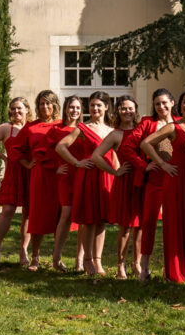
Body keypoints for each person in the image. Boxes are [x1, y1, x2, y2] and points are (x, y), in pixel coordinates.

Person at [141, 90, 185, 283]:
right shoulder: (172, 127)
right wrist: (163, 164)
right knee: (176, 224)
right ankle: (177, 270)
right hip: (177, 179)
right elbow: (146, 143)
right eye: (184, 102)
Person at [56, 91, 115, 276]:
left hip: (107, 176)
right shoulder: (82, 127)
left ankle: (98, 261)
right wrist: (76, 162)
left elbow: (115, 155)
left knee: (102, 221)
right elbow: (60, 146)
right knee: (89, 220)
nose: (95, 108)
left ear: (106, 107)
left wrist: (118, 174)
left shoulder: (112, 129)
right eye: (92, 105)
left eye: (99, 105)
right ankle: (87, 260)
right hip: (89, 175)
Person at [91, 96, 147, 280]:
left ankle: (136, 263)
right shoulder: (115, 135)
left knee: (141, 227)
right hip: (125, 182)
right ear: (118, 111)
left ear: (136, 110)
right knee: (126, 228)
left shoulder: (143, 130)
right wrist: (114, 172)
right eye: (123, 108)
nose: (127, 111)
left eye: (130, 108)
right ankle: (120, 265)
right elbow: (96, 156)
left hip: (144, 181)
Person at [0, 97, 33, 269]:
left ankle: (24, 251)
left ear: (27, 109)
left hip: (31, 173)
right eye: (12, 109)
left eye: (19, 108)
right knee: (8, 210)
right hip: (13, 174)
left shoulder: (33, 128)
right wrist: (4, 157)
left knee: (28, 213)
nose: (15, 112)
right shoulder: (6, 128)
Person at [14, 91, 62, 270]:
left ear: (55, 105)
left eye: (48, 103)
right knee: (38, 216)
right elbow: (15, 148)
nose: (45, 107)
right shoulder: (31, 127)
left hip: (59, 174)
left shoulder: (61, 125)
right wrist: (27, 163)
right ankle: (35, 256)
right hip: (40, 176)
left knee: (60, 216)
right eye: (41, 103)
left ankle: (57, 258)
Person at [134, 89, 175, 280]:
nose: (161, 107)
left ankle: (171, 268)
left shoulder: (181, 122)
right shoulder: (147, 123)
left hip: (176, 179)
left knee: (173, 225)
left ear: (172, 103)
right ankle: (144, 267)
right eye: (157, 103)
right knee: (148, 222)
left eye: (165, 103)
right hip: (156, 179)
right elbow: (128, 146)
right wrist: (144, 165)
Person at [49, 96, 85, 271]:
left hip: (83, 175)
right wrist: (55, 167)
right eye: (71, 107)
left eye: (78, 108)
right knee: (66, 213)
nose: (74, 111)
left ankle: (80, 259)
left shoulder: (85, 129)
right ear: (65, 109)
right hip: (66, 177)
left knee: (85, 217)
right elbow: (45, 151)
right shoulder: (56, 129)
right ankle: (56, 257)